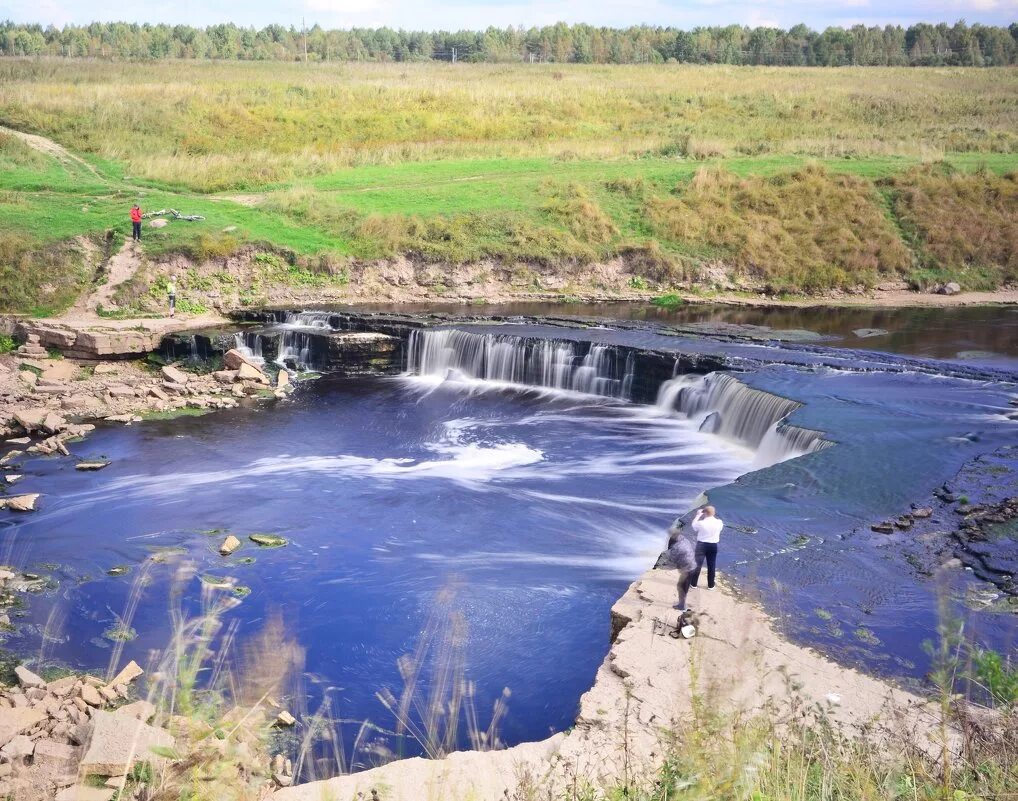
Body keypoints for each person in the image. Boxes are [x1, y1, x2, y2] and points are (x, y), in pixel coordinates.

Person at [691, 505, 723, 589]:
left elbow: (694, 526)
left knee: (697, 565)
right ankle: (711, 585)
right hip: (713, 546)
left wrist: (698, 515)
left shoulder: (701, 523)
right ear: (714, 513)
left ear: (704, 513)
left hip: (701, 545)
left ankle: (693, 584)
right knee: (711, 565)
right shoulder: (719, 522)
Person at [665, 534, 697, 612]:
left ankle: (682, 606)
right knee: (684, 586)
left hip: (687, 569)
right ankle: (682, 604)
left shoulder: (676, 547)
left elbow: (672, 560)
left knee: (681, 587)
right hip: (693, 566)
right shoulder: (685, 540)